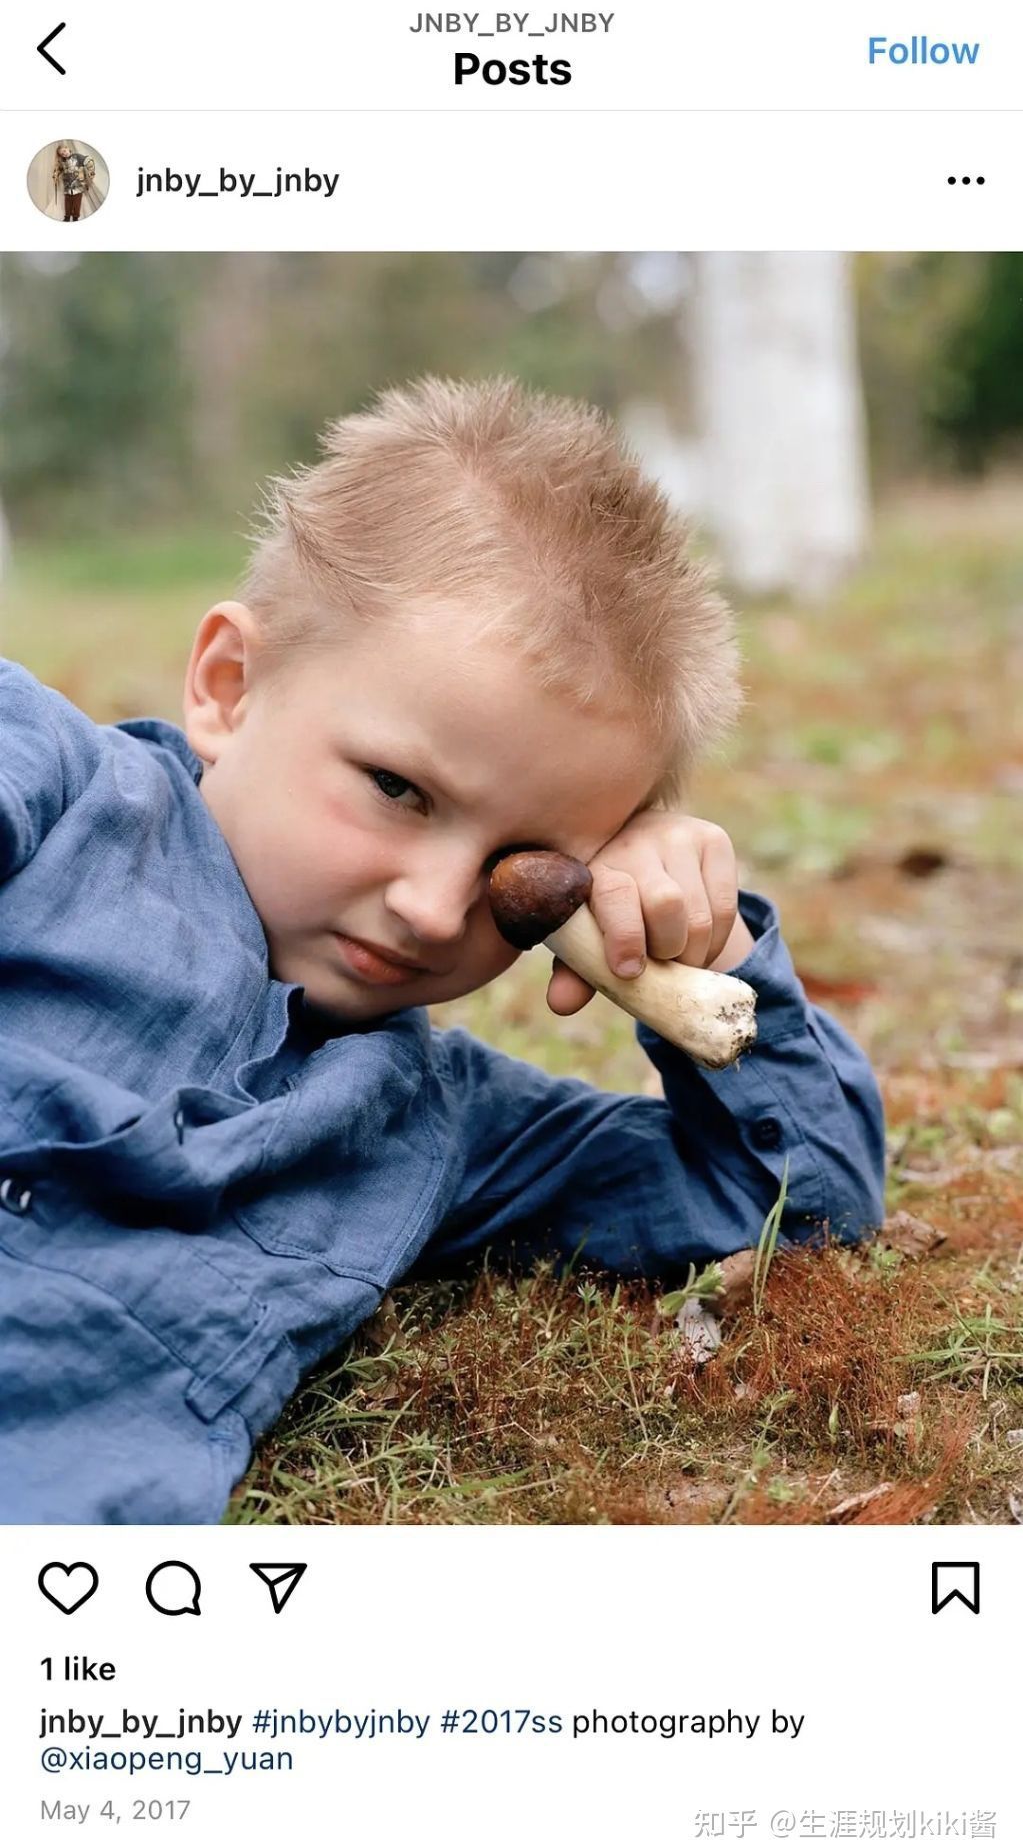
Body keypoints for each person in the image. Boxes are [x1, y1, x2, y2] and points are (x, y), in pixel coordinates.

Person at [0, 375, 885, 1525]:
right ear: (231, 686)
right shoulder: (59, 792)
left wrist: (699, 954)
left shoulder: (431, 1126)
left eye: (527, 875)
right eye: (397, 789)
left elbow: (798, 1198)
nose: (430, 908)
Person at [52, 141, 97, 221]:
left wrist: (91, 171)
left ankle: (75, 217)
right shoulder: (62, 162)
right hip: (67, 187)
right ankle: (67, 217)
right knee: (67, 203)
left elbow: (88, 160)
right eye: (62, 154)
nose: (64, 154)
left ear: (68, 148)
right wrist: (55, 175)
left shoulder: (77, 157)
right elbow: (58, 170)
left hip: (78, 186)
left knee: (77, 203)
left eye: (64, 151)